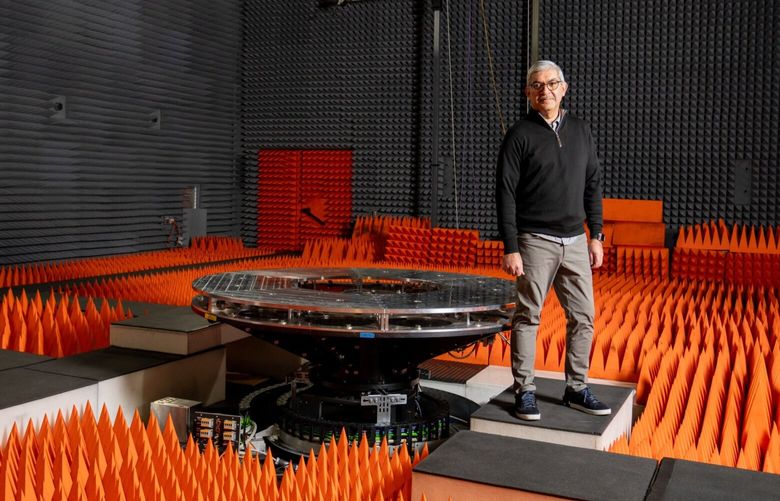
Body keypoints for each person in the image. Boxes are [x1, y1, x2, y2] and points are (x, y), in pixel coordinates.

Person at [495, 60, 611, 421]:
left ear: (564, 88)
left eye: (551, 83)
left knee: (584, 317)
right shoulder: (519, 135)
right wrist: (511, 246)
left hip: (576, 240)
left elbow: (593, 183)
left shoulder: (580, 130)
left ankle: (577, 387)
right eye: (536, 85)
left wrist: (597, 235)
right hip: (534, 241)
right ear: (529, 93)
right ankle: (524, 390)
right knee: (528, 316)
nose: (544, 89)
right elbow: (505, 193)